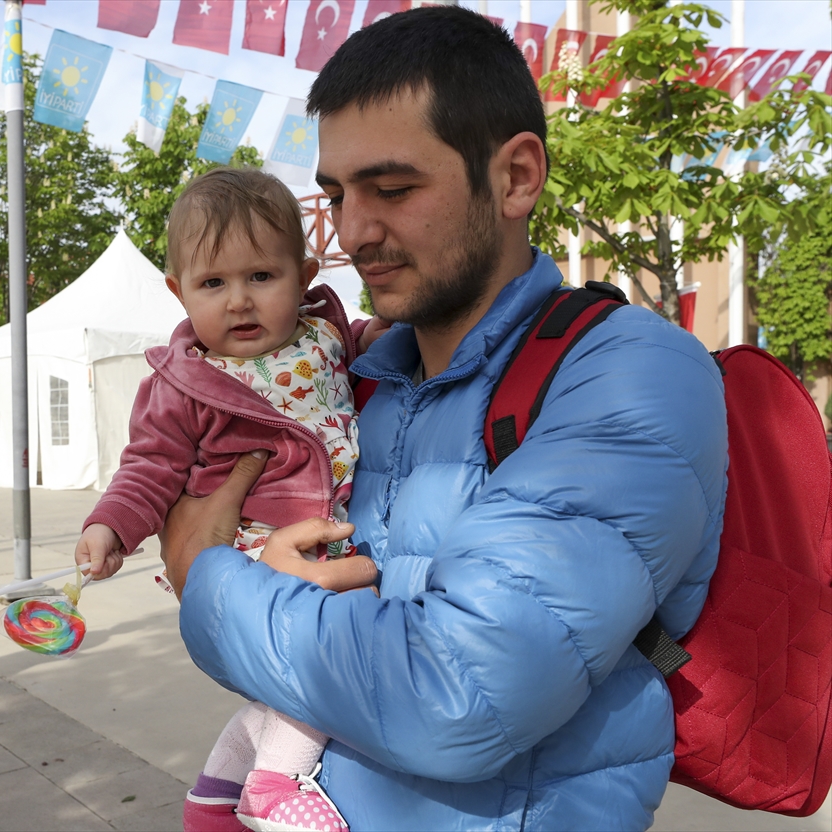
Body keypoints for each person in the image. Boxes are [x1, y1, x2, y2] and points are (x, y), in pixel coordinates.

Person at [160, 8, 728, 832]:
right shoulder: (365, 381)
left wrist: (210, 581)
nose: (352, 233)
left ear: (516, 177)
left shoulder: (632, 372)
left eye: (392, 189)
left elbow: (458, 697)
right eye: (336, 195)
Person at [75, 168, 386, 832]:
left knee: (298, 682)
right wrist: (110, 527)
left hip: (324, 533)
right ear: (177, 291)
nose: (239, 301)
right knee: (333, 656)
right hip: (252, 547)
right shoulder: (186, 381)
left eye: (261, 277)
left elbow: (366, 354)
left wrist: (387, 333)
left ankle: (219, 788)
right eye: (213, 283)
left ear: (303, 276)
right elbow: (149, 467)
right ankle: (275, 784)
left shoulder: (328, 337)